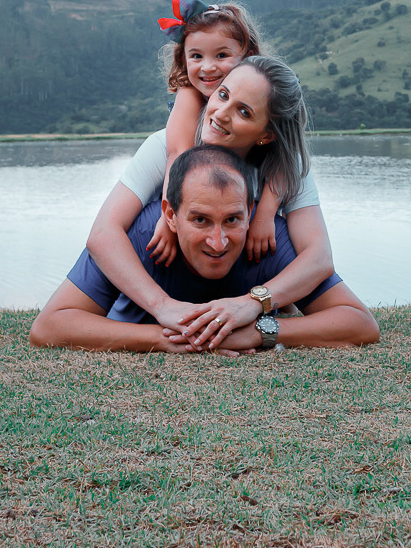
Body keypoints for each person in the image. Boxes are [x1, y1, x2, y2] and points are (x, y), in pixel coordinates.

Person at [86, 54, 336, 350]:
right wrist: (162, 305)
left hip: (239, 286)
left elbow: (318, 257)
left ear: (267, 135)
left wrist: (253, 303)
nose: (220, 114)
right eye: (222, 95)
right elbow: (103, 234)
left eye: (243, 111)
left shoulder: (283, 169)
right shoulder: (165, 146)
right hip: (163, 281)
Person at [29, 145, 379, 354]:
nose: (218, 242)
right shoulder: (139, 236)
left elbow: (359, 323)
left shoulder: (268, 239)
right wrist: (160, 338)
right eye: (199, 220)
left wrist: (258, 332)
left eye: (231, 220)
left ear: (250, 209)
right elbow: (49, 327)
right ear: (171, 214)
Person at [148, 0, 282, 266]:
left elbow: (286, 158)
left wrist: (265, 216)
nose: (208, 67)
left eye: (221, 55)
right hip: (189, 196)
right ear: (183, 58)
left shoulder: (265, 99)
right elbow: (179, 154)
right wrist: (168, 218)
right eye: (196, 56)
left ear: (248, 55)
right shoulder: (189, 94)